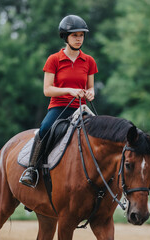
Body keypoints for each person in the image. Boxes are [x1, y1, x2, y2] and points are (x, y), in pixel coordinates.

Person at [20, 15, 98, 188]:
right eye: (75, 35)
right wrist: (69, 90)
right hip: (59, 107)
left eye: (81, 35)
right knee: (45, 129)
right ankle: (32, 169)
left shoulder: (89, 61)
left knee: (102, 132)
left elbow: (91, 87)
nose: (79, 39)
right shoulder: (54, 59)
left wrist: (91, 93)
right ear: (65, 37)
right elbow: (47, 90)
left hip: (81, 108)